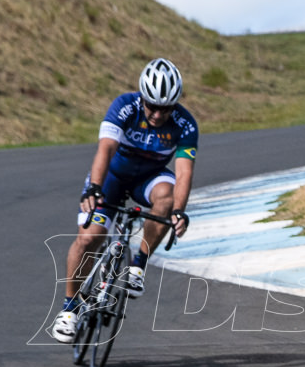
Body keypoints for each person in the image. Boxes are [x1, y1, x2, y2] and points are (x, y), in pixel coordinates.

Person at [51, 58, 198, 343]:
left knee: (167, 198)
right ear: (142, 96)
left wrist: (179, 211)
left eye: (165, 108)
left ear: (175, 104)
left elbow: (184, 171)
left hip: (150, 178)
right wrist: (94, 188)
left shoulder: (185, 125)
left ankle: (138, 265)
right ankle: (68, 310)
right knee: (89, 238)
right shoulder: (124, 106)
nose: (157, 114)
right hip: (112, 178)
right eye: (151, 105)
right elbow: (105, 150)